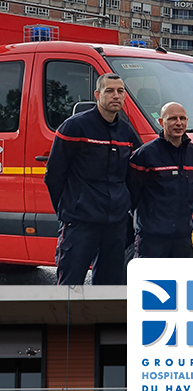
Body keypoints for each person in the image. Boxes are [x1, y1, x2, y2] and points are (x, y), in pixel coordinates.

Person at [45, 73, 142, 285]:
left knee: (109, 287)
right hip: (80, 222)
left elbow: (134, 175)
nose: (115, 96)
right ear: (97, 95)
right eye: (109, 91)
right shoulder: (74, 127)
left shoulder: (126, 132)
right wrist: (67, 211)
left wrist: (126, 208)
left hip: (115, 224)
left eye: (120, 91)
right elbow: (54, 175)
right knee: (70, 288)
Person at [127, 102, 193, 258]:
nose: (179, 123)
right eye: (172, 119)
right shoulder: (145, 154)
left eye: (182, 118)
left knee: (183, 282)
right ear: (161, 122)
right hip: (152, 238)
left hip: (183, 237)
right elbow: (131, 194)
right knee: (149, 282)